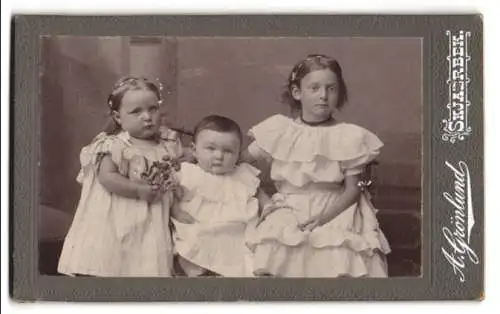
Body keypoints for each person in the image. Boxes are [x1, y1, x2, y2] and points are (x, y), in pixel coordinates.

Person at [243, 54, 391, 277]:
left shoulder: (349, 136)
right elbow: (240, 163)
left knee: (336, 257)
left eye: (331, 88)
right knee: (276, 250)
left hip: (335, 207)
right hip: (287, 207)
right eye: (314, 88)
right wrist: (264, 201)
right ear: (297, 92)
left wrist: (323, 218)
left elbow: (353, 188)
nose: (323, 96)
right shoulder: (279, 131)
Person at [58, 76, 183, 277]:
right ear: (118, 117)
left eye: (153, 109)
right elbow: (107, 177)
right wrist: (138, 189)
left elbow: (180, 167)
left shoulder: (166, 145)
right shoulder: (113, 145)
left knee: (146, 264)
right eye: (136, 112)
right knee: (114, 262)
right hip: (118, 218)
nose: (147, 117)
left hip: (152, 221)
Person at [171, 115, 268, 277]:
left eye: (228, 151)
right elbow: (169, 194)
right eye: (211, 149)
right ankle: (201, 273)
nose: (219, 156)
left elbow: (261, 196)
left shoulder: (242, 174)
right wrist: (175, 209)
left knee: (247, 251)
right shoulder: (187, 172)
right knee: (193, 242)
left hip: (237, 229)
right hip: (199, 226)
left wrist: (271, 209)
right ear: (194, 150)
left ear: (238, 154)